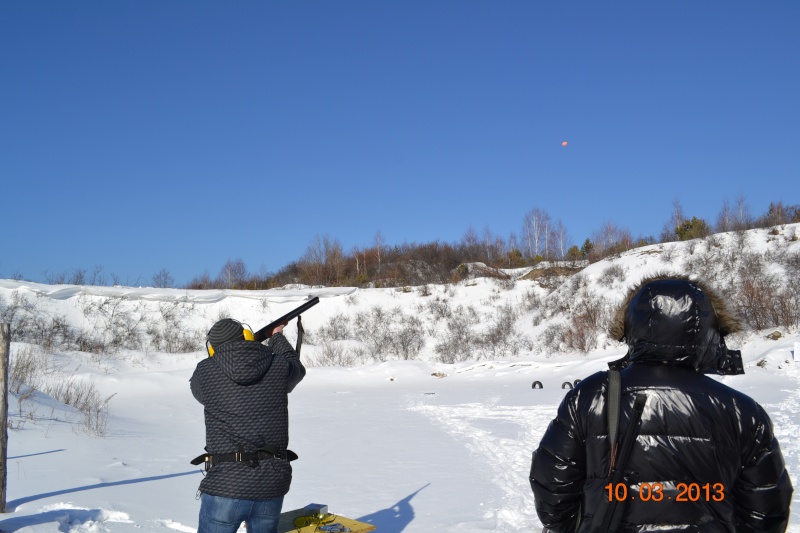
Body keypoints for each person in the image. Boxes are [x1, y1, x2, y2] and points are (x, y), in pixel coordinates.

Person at [529, 274, 793, 532]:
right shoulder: (743, 411)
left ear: (633, 328)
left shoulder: (590, 396)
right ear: (709, 331)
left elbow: (553, 488)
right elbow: (768, 511)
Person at [191, 317, 306, 533]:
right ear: (246, 336)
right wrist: (277, 337)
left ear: (213, 349)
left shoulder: (205, 372)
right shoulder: (278, 364)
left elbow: (198, 392)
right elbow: (297, 369)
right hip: (270, 484)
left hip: (226, 484)